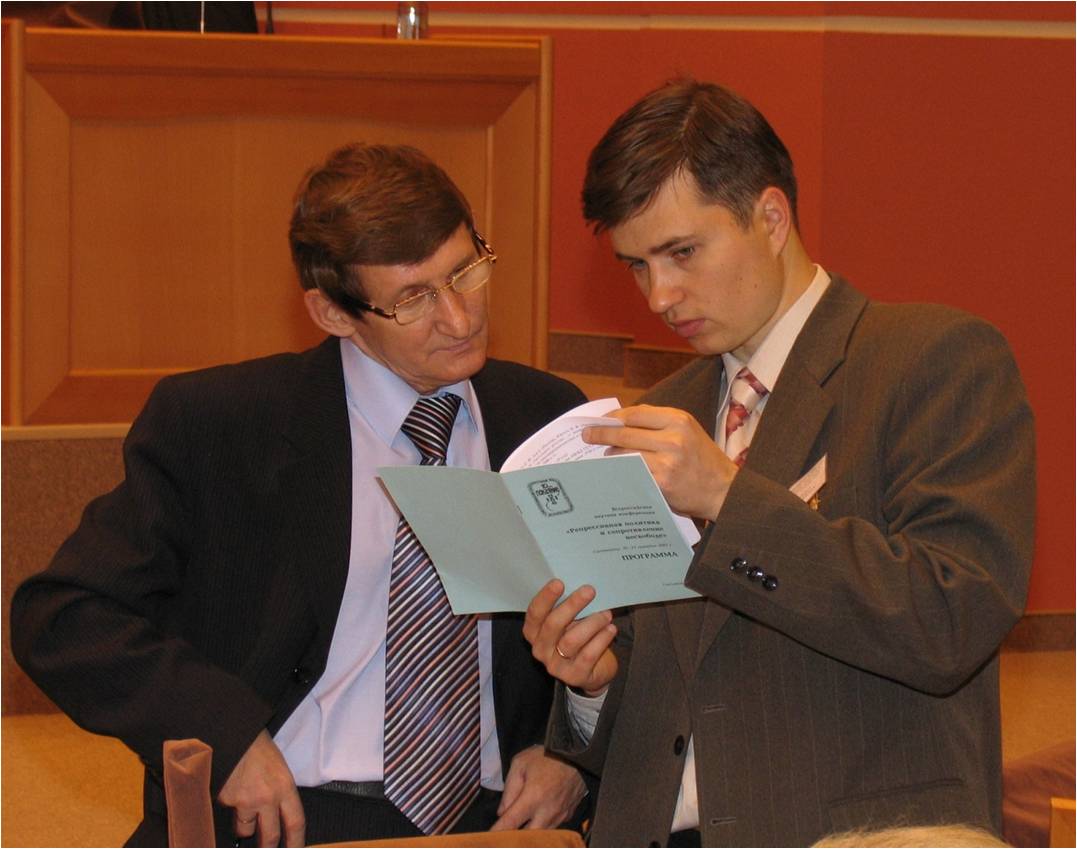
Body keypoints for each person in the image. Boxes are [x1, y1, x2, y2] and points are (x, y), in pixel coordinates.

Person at [11, 143, 588, 847]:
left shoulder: (548, 416)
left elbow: (623, 623)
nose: (461, 318)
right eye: (412, 299)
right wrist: (224, 734)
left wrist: (571, 751)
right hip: (287, 817)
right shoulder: (221, 425)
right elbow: (63, 616)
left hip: (495, 822)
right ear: (333, 313)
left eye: (466, 272)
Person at [523, 79, 1035, 847]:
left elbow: (948, 621)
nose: (659, 295)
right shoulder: (663, 408)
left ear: (769, 217)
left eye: (681, 252)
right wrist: (592, 681)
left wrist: (729, 498)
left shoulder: (930, 360)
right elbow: (673, 690)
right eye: (636, 265)